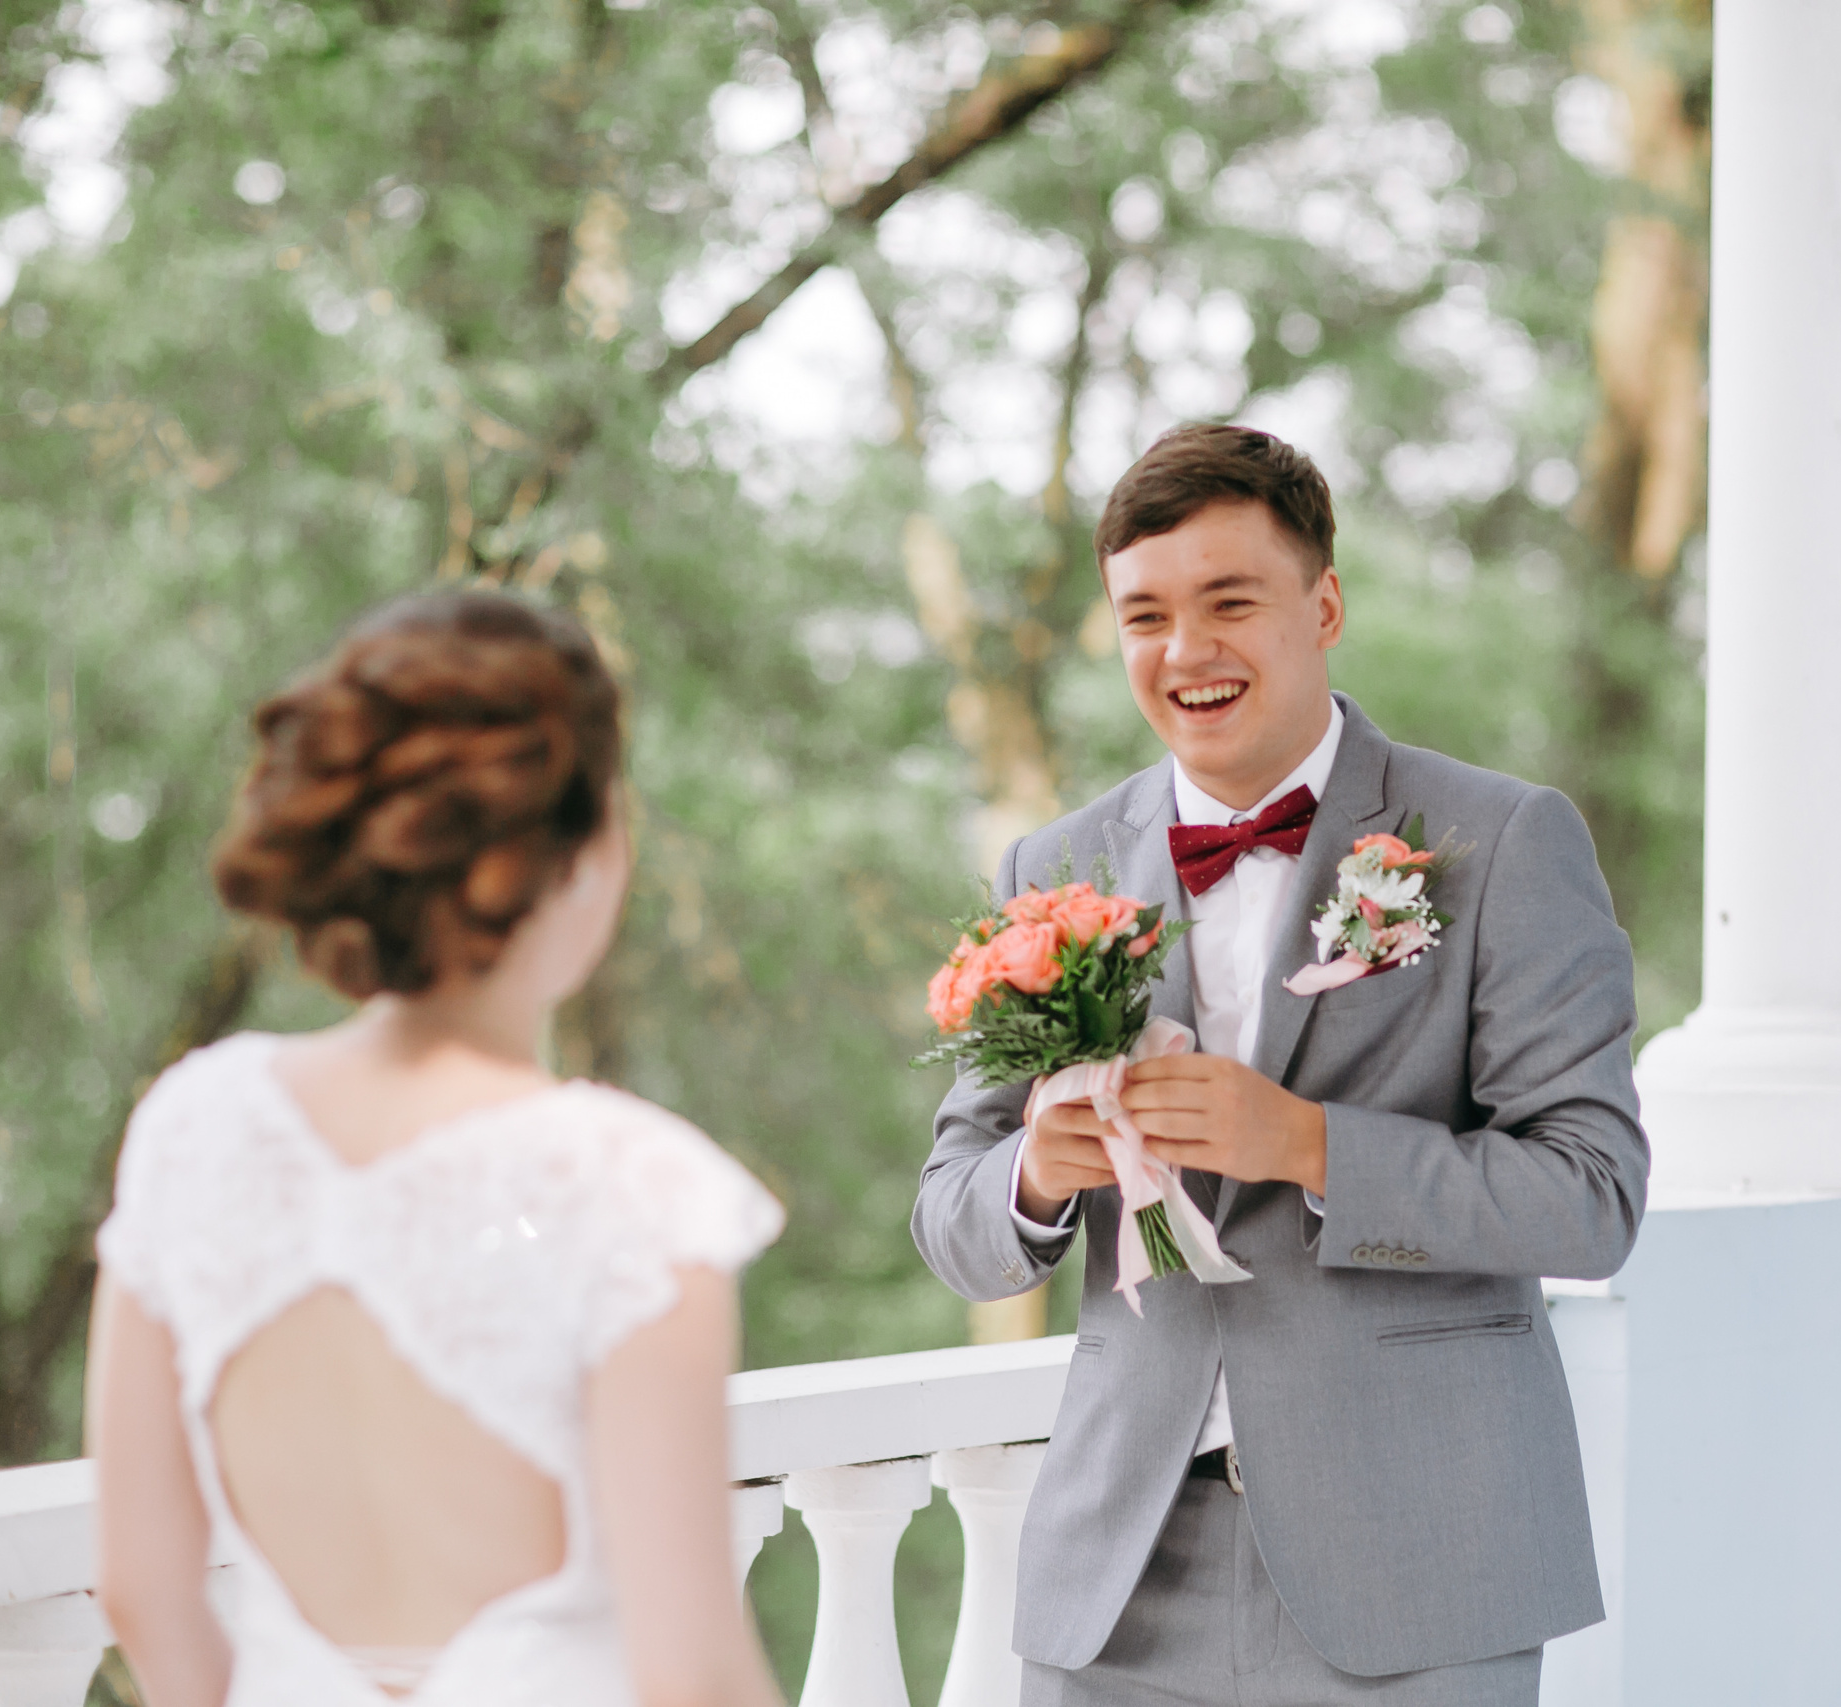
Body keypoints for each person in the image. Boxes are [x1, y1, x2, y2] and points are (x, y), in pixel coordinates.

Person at [913, 424, 1649, 1706]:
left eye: (1228, 602)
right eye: (1144, 614)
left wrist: (1308, 1147)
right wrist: (1033, 1172)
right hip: (1117, 1578)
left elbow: (1591, 1199)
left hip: (1420, 1565)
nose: (1185, 652)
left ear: (1323, 606)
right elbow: (953, 1222)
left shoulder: (1501, 840)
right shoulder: (1053, 869)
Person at [86, 591, 786, 1707]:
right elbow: (689, 1673)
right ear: (584, 848)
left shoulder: (193, 1123)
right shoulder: (632, 1185)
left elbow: (138, 1586)